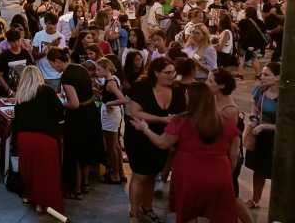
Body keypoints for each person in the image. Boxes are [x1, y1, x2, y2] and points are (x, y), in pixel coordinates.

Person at [130, 82, 239, 223]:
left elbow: (162, 143)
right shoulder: (226, 121)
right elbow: (234, 155)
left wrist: (145, 128)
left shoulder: (181, 121)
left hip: (189, 174)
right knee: (220, 214)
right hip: (220, 174)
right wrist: (227, 173)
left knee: (188, 214)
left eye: (187, 95)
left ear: (192, 100)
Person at [124, 57, 186, 223]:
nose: (171, 75)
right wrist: (162, 119)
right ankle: (134, 213)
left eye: (173, 72)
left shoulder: (178, 90)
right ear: (156, 73)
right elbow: (135, 112)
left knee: (152, 174)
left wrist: (175, 120)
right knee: (139, 175)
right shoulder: (142, 87)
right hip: (139, 136)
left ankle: (147, 207)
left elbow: (182, 113)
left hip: (162, 137)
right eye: (167, 72)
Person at [48, 47, 104, 196]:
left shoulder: (67, 76)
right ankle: (85, 184)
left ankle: (76, 189)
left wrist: (59, 103)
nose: (52, 67)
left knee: (76, 153)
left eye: (51, 64)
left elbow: (74, 103)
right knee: (86, 152)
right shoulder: (80, 68)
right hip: (91, 113)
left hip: (79, 117)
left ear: (58, 62)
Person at [12, 66, 65, 213]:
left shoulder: (21, 95)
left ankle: (29, 196)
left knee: (28, 170)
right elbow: (60, 112)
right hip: (45, 138)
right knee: (45, 173)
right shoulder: (47, 91)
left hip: (25, 138)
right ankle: (41, 203)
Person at [207, 69, 253, 223]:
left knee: (232, 196)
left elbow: (231, 140)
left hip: (227, 157)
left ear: (221, 86)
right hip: (216, 155)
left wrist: (230, 165)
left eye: (210, 81)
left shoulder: (229, 109)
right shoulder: (213, 99)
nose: (207, 84)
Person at [244, 62, 280, 209]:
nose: (262, 76)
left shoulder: (287, 97)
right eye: (262, 74)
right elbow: (254, 107)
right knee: (259, 170)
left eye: (266, 74)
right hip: (261, 136)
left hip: (277, 138)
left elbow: (286, 126)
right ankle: (255, 199)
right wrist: (253, 119)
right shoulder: (260, 90)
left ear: (278, 77)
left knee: (278, 171)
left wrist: (264, 126)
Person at [96, 57, 127, 184]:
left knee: (111, 145)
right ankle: (120, 171)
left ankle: (115, 174)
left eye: (99, 69)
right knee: (116, 145)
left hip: (111, 114)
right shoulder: (111, 80)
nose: (97, 71)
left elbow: (123, 99)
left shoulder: (110, 83)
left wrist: (109, 103)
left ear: (106, 69)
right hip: (112, 114)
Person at [32, 12, 66, 91]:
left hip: (55, 76)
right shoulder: (38, 35)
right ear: (45, 23)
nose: (52, 26)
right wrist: (51, 46)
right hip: (40, 75)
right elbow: (34, 56)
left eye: (54, 24)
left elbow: (63, 58)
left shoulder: (61, 37)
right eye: (50, 23)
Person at [0, 29, 33, 97]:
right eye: (13, 42)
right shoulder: (4, 55)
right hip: (9, 92)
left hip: (24, 90)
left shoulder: (25, 53)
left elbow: (31, 70)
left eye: (18, 40)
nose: (16, 43)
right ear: (9, 42)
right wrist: (8, 90)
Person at [238, 6, 268, 78]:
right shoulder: (260, 22)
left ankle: (240, 75)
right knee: (254, 58)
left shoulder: (243, 22)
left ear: (246, 13)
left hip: (244, 43)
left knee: (241, 59)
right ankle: (258, 74)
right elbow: (264, 31)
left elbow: (240, 32)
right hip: (255, 44)